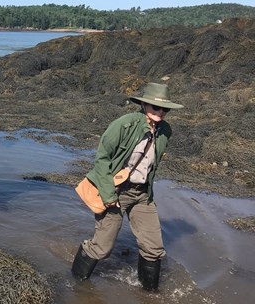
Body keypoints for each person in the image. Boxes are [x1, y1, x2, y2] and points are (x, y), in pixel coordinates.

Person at [71, 82, 184, 291]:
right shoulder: (124, 124)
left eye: (165, 108)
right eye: (155, 107)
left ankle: (150, 294)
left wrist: (148, 192)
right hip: (115, 192)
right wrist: (107, 195)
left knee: (154, 248)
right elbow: (102, 159)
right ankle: (76, 285)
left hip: (142, 195)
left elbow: (152, 165)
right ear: (143, 105)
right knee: (102, 249)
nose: (161, 112)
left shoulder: (165, 131)